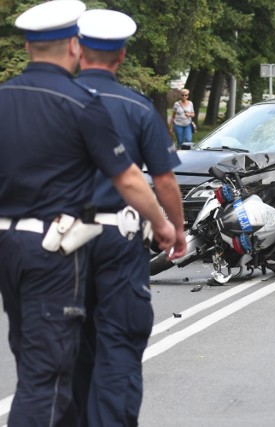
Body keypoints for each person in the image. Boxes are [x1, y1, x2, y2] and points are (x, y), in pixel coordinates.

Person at [0, 1, 179, 426]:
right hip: (74, 242)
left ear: (27, 46)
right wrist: (165, 224)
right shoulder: (89, 104)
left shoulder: (10, 98)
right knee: (80, 359)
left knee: (47, 354)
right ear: (75, 47)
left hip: (21, 242)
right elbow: (139, 179)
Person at [67, 9, 188, 426]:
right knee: (117, 344)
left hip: (58, 243)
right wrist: (175, 227)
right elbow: (165, 180)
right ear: (120, 56)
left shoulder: (54, 103)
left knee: (69, 348)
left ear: (77, 51)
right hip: (117, 240)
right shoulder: (136, 108)